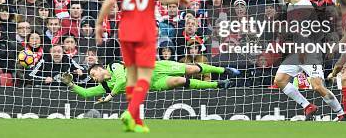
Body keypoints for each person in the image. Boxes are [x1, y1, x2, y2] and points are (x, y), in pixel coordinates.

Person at [94, 0, 191, 133]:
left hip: (125, 29)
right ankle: (130, 112)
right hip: (145, 28)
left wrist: (98, 24)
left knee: (131, 75)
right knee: (145, 76)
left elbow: (110, 0)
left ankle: (135, 121)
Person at [273, 0, 345, 120]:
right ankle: (307, 106)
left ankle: (341, 113)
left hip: (310, 52)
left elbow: (312, 32)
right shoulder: (291, 6)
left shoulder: (304, 7)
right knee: (280, 80)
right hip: (298, 52)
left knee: (317, 86)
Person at [61, 60, 236, 105]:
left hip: (155, 67)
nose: (93, 78)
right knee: (180, 81)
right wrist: (70, 85)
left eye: (93, 74)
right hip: (154, 83)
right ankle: (218, 85)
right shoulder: (105, 86)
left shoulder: (114, 66)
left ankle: (224, 70)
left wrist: (111, 96)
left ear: (100, 69)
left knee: (192, 69)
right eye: (91, 76)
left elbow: (122, 80)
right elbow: (85, 93)